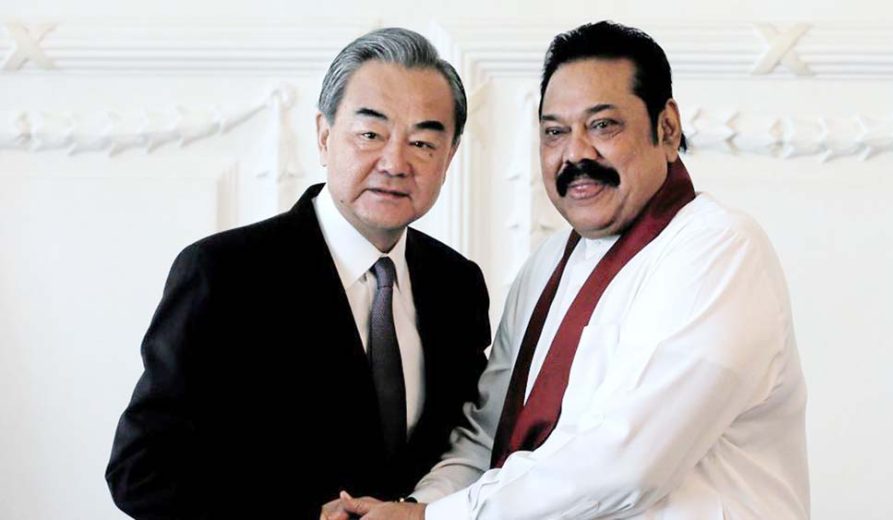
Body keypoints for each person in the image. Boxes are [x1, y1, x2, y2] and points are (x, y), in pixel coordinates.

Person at [334, 21, 809, 520]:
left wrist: (434, 519)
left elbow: (628, 465)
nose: (576, 153)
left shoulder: (719, 249)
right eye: (555, 132)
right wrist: (412, 506)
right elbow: (488, 435)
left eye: (603, 125)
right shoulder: (546, 266)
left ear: (666, 128)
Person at [105, 27, 491, 519]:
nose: (395, 162)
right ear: (325, 136)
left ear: (449, 157)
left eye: (422, 142)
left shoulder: (455, 283)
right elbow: (142, 470)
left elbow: (469, 443)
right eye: (371, 134)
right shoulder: (224, 273)